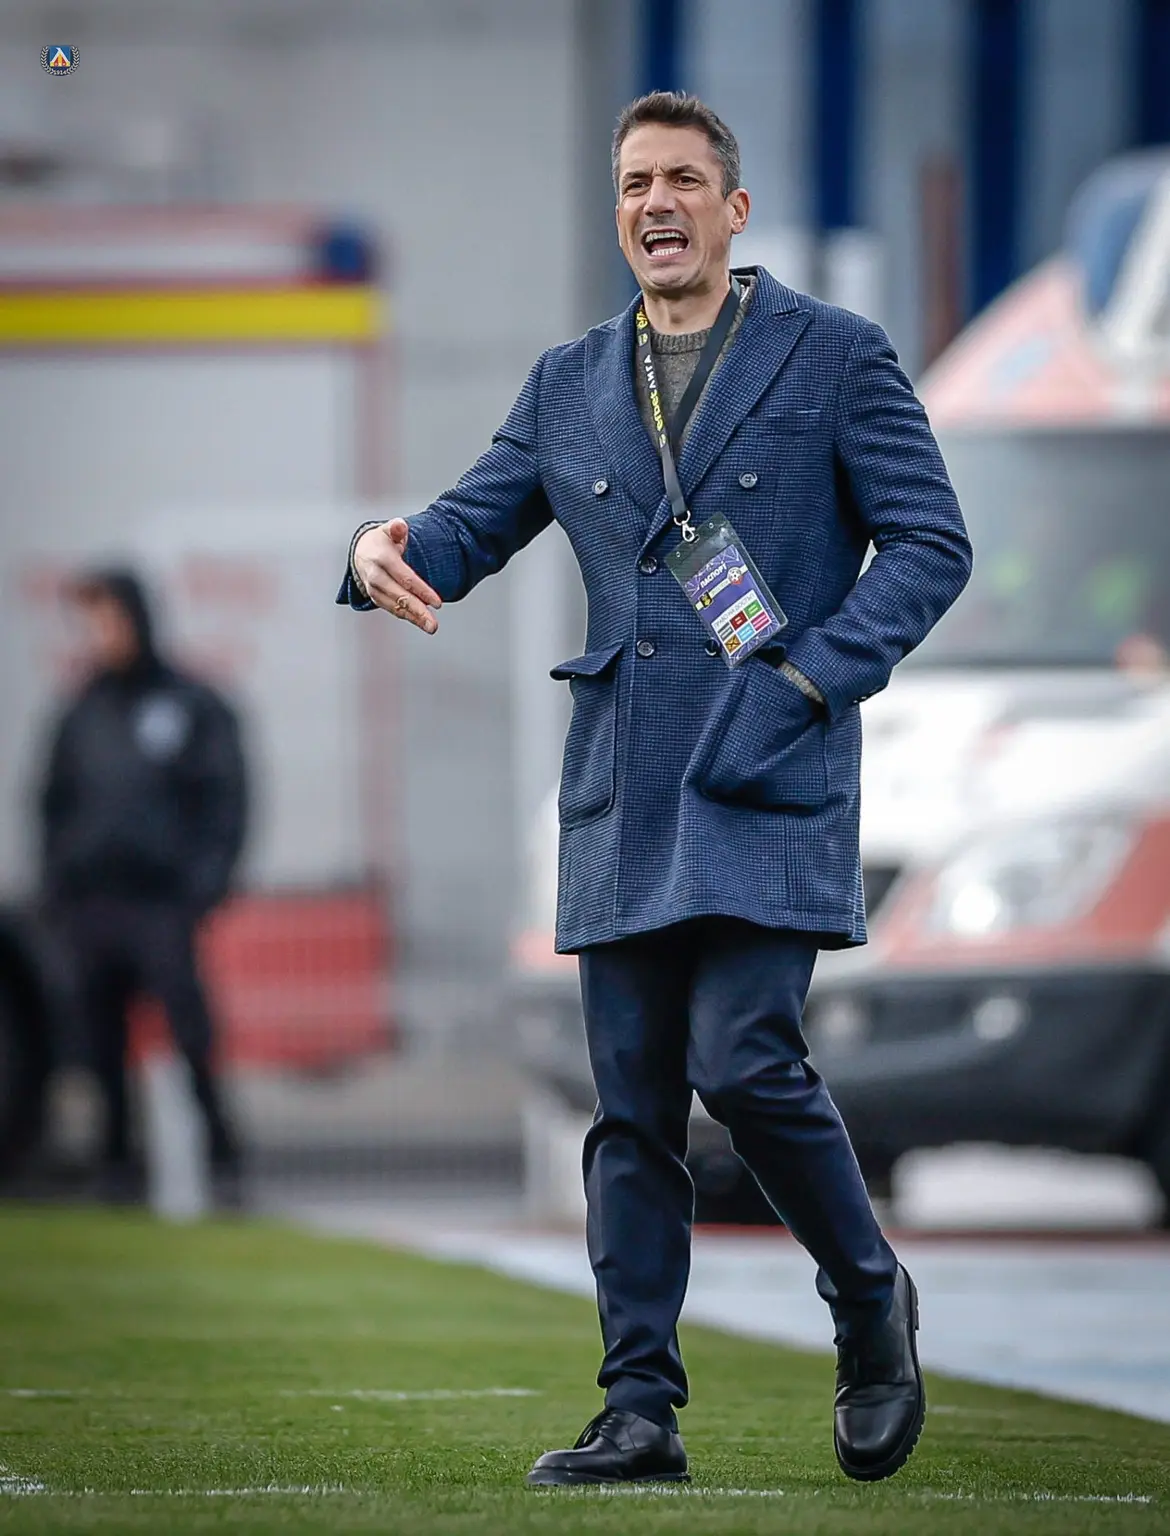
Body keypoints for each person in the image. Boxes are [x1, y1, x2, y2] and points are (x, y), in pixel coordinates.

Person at [338, 92, 972, 1486]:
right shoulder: (567, 381)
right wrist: (384, 545)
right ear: (617, 210)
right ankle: (639, 1410)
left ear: (732, 211)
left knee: (744, 1064)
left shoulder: (836, 355)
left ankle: (870, 1301)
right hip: (623, 786)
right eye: (634, 183)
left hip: (765, 765)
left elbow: (931, 544)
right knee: (628, 1108)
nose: (656, 203)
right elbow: (467, 524)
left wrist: (808, 678)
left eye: (683, 180)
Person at [40, 569, 247, 1204]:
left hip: (162, 902)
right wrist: (58, 886)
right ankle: (115, 1164)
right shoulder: (81, 710)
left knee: (189, 1031)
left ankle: (222, 1151)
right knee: (99, 1037)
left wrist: (203, 887)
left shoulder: (191, 704)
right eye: (92, 623)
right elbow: (51, 803)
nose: (101, 634)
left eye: (110, 619)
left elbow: (226, 801)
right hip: (92, 903)